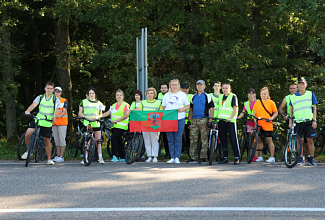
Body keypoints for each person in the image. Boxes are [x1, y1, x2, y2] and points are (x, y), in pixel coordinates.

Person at [22, 82, 59, 165]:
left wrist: (54, 116)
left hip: (47, 122)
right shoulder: (40, 97)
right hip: (38, 119)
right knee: (27, 134)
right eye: (48, 88)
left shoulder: (56, 99)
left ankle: (49, 159)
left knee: (47, 140)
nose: (49, 90)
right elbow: (34, 104)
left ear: (53, 90)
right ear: (45, 88)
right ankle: (28, 150)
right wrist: (28, 111)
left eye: (51, 88)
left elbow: (56, 109)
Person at [289, 78, 318, 166]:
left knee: (310, 140)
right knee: (299, 140)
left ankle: (312, 158)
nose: (301, 85)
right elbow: (291, 110)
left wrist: (314, 120)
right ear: (298, 86)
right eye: (300, 84)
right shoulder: (293, 97)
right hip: (298, 121)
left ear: (306, 85)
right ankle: (301, 159)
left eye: (303, 84)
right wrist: (290, 122)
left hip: (308, 121)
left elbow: (314, 107)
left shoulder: (310, 94)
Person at [162, 79, 190, 164]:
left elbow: (188, 106)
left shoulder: (182, 95)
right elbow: (163, 107)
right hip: (169, 120)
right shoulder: (166, 95)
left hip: (180, 118)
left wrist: (182, 109)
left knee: (178, 138)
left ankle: (177, 156)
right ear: (170, 86)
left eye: (176, 84)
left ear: (178, 85)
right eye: (172, 85)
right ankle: (172, 157)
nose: (174, 86)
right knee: (170, 138)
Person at [187, 80, 214, 164]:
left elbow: (212, 109)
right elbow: (190, 109)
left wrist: (210, 120)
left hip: (204, 119)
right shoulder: (193, 97)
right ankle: (193, 157)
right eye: (198, 85)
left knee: (204, 139)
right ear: (196, 86)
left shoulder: (207, 96)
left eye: (201, 85)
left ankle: (203, 157)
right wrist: (189, 120)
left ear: (204, 86)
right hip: (194, 120)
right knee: (193, 139)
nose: (199, 86)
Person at [78, 87, 105, 165]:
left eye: (93, 93)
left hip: (96, 123)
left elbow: (101, 114)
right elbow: (80, 113)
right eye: (90, 93)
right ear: (88, 94)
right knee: (87, 141)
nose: (91, 95)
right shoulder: (83, 102)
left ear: (95, 94)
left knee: (98, 141)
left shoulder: (99, 103)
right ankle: (85, 158)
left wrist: (98, 117)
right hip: (87, 123)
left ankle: (100, 158)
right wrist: (86, 117)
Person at [135, 87, 162, 162]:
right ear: (146, 94)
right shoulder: (143, 102)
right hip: (145, 124)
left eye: (151, 93)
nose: (150, 95)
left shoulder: (158, 102)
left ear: (154, 94)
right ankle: (149, 156)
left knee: (154, 140)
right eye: (148, 93)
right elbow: (138, 109)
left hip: (155, 124)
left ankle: (155, 156)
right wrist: (131, 111)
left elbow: (161, 113)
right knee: (147, 140)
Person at [102, 90, 130, 162]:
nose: (119, 96)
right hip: (114, 126)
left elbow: (126, 115)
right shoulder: (114, 105)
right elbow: (108, 112)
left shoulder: (125, 105)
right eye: (117, 95)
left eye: (120, 95)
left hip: (121, 126)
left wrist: (116, 121)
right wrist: (99, 116)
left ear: (123, 96)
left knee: (114, 139)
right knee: (119, 141)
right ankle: (122, 156)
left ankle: (114, 155)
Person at [252, 87, 278, 162]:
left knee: (269, 139)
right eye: (262, 94)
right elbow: (254, 114)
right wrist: (255, 121)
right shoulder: (257, 103)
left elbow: (276, 112)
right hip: (259, 124)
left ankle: (272, 157)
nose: (263, 95)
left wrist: (271, 118)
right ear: (260, 95)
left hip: (267, 124)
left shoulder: (271, 103)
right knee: (259, 140)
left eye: (265, 94)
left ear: (267, 94)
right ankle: (260, 156)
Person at [217, 82, 240, 165]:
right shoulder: (220, 97)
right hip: (221, 121)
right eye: (223, 88)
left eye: (226, 88)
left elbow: (235, 109)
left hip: (230, 121)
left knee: (233, 139)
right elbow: (218, 109)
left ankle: (237, 157)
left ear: (229, 88)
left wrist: (230, 118)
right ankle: (225, 157)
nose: (224, 89)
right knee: (223, 140)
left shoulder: (233, 96)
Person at [238, 88, 258, 161]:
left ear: (255, 94)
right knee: (251, 139)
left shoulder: (258, 102)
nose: (251, 94)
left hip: (256, 121)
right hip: (249, 122)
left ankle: (256, 155)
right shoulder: (246, 103)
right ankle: (252, 155)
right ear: (248, 94)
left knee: (256, 139)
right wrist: (238, 117)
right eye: (250, 93)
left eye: (253, 93)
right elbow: (243, 111)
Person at [52, 87, 68, 163]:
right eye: (55, 91)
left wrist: (59, 116)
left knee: (62, 139)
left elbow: (64, 111)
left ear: (61, 92)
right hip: (54, 123)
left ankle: (61, 156)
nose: (57, 93)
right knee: (56, 140)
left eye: (58, 91)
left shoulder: (64, 100)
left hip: (62, 122)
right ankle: (58, 155)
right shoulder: (52, 100)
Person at [157, 83, 170, 158]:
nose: (163, 89)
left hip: (167, 118)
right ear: (160, 89)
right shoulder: (158, 95)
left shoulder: (169, 95)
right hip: (160, 118)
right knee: (162, 136)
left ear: (167, 89)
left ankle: (169, 152)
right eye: (162, 88)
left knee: (168, 136)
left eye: (165, 88)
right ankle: (165, 153)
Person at [180, 83, 193, 156]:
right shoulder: (178, 96)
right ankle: (182, 150)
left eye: (186, 88)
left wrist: (190, 120)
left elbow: (192, 108)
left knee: (189, 137)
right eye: (183, 88)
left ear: (188, 89)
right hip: (180, 119)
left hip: (189, 120)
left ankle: (189, 154)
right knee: (180, 137)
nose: (185, 90)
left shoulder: (191, 96)